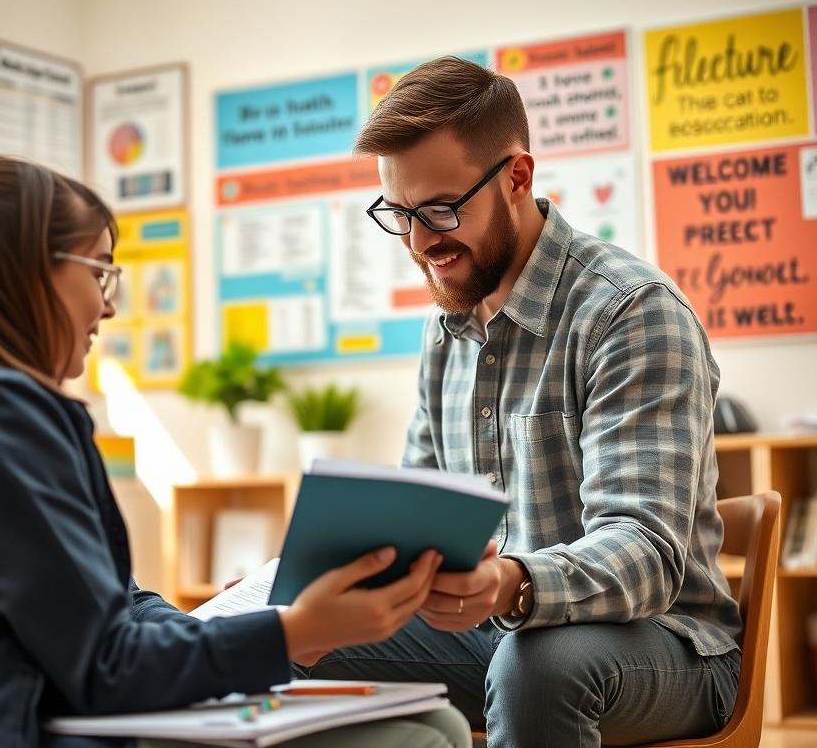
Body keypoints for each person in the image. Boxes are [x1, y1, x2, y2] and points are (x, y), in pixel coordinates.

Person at [0, 153, 472, 748]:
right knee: (419, 740)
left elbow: (113, 605)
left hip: (32, 714)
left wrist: (267, 623)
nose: (108, 307)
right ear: (24, 275)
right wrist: (291, 633)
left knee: (436, 723)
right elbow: (108, 667)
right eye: (99, 271)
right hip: (28, 731)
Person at [298, 57, 742, 747]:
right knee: (291, 643)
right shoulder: (446, 331)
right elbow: (421, 513)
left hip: (665, 646)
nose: (420, 244)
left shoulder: (630, 312)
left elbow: (649, 553)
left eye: (441, 210)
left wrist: (511, 583)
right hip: (498, 638)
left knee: (539, 666)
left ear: (518, 177)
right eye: (400, 214)